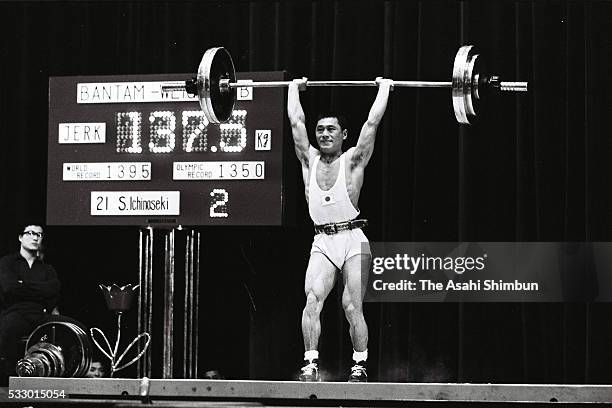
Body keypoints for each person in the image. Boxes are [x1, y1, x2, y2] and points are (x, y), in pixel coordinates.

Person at [287, 77, 392, 382]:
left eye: (331, 129)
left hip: (353, 240)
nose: (324, 134)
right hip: (322, 239)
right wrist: (294, 88)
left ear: (344, 134)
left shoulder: (354, 160)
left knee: (350, 306)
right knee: (311, 299)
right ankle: (310, 363)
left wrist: (384, 88)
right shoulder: (308, 159)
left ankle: (359, 363)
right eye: (320, 129)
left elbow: (372, 124)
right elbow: (296, 121)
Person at [0, 224, 61, 385]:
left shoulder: (47, 268)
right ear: (20, 237)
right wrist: (39, 289)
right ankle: (8, 382)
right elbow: (9, 288)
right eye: (31, 233)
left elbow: (53, 291)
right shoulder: (8, 262)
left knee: (72, 327)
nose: (35, 237)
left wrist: (24, 284)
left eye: (39, 235)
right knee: (6, 332)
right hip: (16, 312)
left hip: (41, 314)